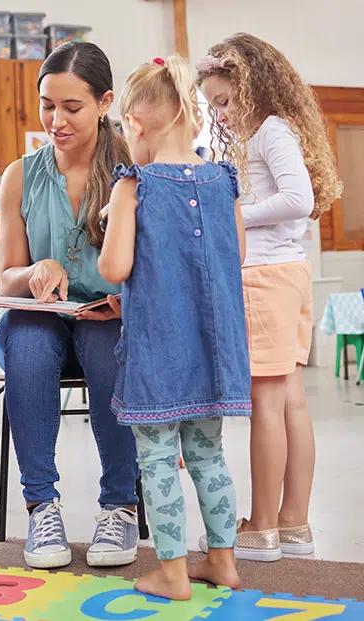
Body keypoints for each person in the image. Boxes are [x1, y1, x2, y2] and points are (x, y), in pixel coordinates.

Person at [98, 54, 250, 600]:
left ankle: (171, 571)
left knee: (158, 457)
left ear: (134, 125)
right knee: (209, 454)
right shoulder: (223, 180)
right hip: (215, 349)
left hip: (159, 351)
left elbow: (114, 269)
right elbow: (236, 255)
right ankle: (223, 561)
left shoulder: (132, 186)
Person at [0, 42, 140, 570]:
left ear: (104, 103)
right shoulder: (20, 175)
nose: (55, 120)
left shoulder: (133, 170)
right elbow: (7, 276)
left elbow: (153, 270)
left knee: (108, 347)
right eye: (46, 104)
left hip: (110, 321)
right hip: (41, 319)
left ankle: (120, 504)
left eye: (71, 107)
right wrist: (33, 271)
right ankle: (41, 505)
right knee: (28, 343)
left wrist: (124, 303)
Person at [197, 33, 342, 561]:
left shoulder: (269, 132)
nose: (223, 113)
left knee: (267, 404)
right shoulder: (269, 132)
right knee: (291, 403)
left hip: (264, 278)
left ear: (253, 86)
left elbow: (298, 200)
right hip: (286, 275)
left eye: (226, 101)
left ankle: (260, 528)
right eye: (214, 104)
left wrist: (232, 214)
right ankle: (294, 523)